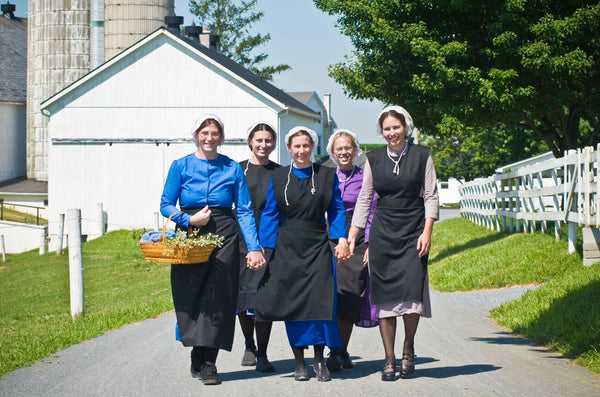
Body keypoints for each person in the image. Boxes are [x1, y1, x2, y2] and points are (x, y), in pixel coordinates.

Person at [160, 114, 265, 385]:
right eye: (205, 132)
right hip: (190, 232)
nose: (209, 138)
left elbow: (243, 210)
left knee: (218, 298)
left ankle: (209, 363)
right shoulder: (180, 166)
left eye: (215, 133)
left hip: (225, 233)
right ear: (196, 134)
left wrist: (253, 247)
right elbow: (166, 204)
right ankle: (197, 350)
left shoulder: (231, 168)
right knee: (191, 294)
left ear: (222, 137)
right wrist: (188, 219)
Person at [348, 106, 439, 381]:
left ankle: (408, 346)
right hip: (383, 234)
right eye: (387, 129)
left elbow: (431, 197)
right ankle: (389, 358)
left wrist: (427, 232)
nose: (391, 133)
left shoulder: (422, 156)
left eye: (396, 127)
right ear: (382, 131)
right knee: (385, 297)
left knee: (412, 294)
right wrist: (355, 235)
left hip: (413, 231)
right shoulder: (373, 159)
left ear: (406, 127)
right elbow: (364, 200)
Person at [254, 126, 351, 382]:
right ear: (289, 148)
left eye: (306, 146)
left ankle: (319, 360)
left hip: (317, 244)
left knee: (319, 303)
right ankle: (299, 362)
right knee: (293, 304)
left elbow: (337, 209)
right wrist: (264, 248)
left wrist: (341, 239)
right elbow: (270, 214)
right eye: (296, 146)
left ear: (313, 147)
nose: (301, 150)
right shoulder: (278, 176)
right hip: (286, 247)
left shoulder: (327, 175)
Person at [323, 129, 377, 372]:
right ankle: (331, 348)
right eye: (339, 149)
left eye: (348, 148)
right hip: (328, 236)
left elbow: (373, 211)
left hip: (359, 237)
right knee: (329, 296)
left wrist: (371, 243)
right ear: (332, 152)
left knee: (350, 294)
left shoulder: (366, 177)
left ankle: (340, 350)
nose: (344, 152)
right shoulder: (325, 176)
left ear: (355, 150)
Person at [236, 122, 280, 372]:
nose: (264, 145)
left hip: (270, 240)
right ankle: (248, 345)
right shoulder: (238, 169)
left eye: (268, 140)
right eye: (259, 140)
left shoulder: (281, 171)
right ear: (250, 141)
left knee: (264, 297)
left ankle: (262, 353)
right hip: (240, 239)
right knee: (244, 296)